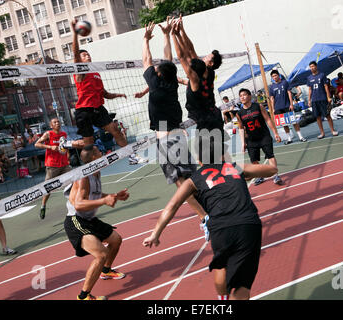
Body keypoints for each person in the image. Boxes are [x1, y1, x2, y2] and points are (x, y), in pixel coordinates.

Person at [143, 138, 278, 300]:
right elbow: (271, 170)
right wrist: (246, 174)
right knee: (242, 285)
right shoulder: (235, 168)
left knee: (221, 266)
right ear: (222, 154)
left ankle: (222, 300)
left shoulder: (194, 179)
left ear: (198, 160)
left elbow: (172, 206)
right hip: (247, 224)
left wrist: (155, 234)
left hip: (220, 228)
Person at [142, 19, 211, 241]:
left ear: (159, 74)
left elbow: (147, 59)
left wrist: (145, 39)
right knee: (191, 179)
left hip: (167, 138)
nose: (154, 68)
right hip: (176, 134)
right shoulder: (171, 83)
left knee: (182, 185)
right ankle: (212, 209)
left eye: (156, 69)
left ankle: (205, 217)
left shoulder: (155, 84)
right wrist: (165, 35)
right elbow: (167, 60)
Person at [60, 19, 145, 165]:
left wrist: (117, 95)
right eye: (84, 55)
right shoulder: (80, 71)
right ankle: (68, 144)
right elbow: (75, 53)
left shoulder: (96, 73)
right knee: (89, 145)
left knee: (116, 130)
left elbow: (104, 93)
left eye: (88, 54)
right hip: (84, 111)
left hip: (98, 108)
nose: (88, 56)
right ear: (79, 59)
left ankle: (131, 156)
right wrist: (75, 33)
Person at [64, 145, 128, 300]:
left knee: (116, 240)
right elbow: (78, 204)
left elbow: (95, 194)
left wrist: (114, 196)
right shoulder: (83, 176)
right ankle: (83, 296)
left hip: (89, 219)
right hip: (76, 221)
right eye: (100, 152)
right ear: (94, 157)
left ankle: (106, 271)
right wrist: (105, 201)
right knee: (101, 254)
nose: (103, 153)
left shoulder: (96, 172)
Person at [236, 88, 282, 186]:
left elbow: (268, 119)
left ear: (249, 96)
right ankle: (260, 176)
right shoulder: (239, 113)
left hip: (264, 136)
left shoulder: (258, 106)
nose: (242, 97)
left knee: (270, 155)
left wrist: (275, 132)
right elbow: (241, 128)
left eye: (244, 95)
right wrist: (243, 142)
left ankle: (275, 175)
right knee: (254, 160)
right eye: (240, 96)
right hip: (251, 139)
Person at [35, 117, 72, 220]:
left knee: (74, 181)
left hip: (64, 164)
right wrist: (50, 147)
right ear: (51, 125)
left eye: (58, 122)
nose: (57, 123)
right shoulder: (48, 134)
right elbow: (36, 144)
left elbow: (65, 146)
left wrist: (67, 155)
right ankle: (43, 206)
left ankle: (75, 205)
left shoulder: (63, 134)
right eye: (55, 122)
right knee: (48, 188)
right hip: (52, 165)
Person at [269, 70, 307, 145]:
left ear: (278, 75)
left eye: (275, 75)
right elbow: (272, 98)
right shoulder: (272, 87)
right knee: (284, 123)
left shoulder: (285, 83)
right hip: (278, 108)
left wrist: (291, 104)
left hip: (287, 106)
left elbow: (289, 93)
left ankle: (300, 137)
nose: (274, 77)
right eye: (273, 76)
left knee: (293, 121)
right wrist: (273, 108)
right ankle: (289, 138)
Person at [307, 61, 339, 139]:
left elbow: (326, 87)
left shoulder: (322, 75)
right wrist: (309, 100)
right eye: (310, 67)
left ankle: (332, 130)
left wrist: (328, 97)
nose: (312, 68)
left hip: (322, 98)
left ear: (316, 66)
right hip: (314, 100)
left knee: (327, 115)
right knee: (317, 117)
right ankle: (322, 133)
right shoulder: (309, 78)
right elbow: (310, 89)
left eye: (313, 66)